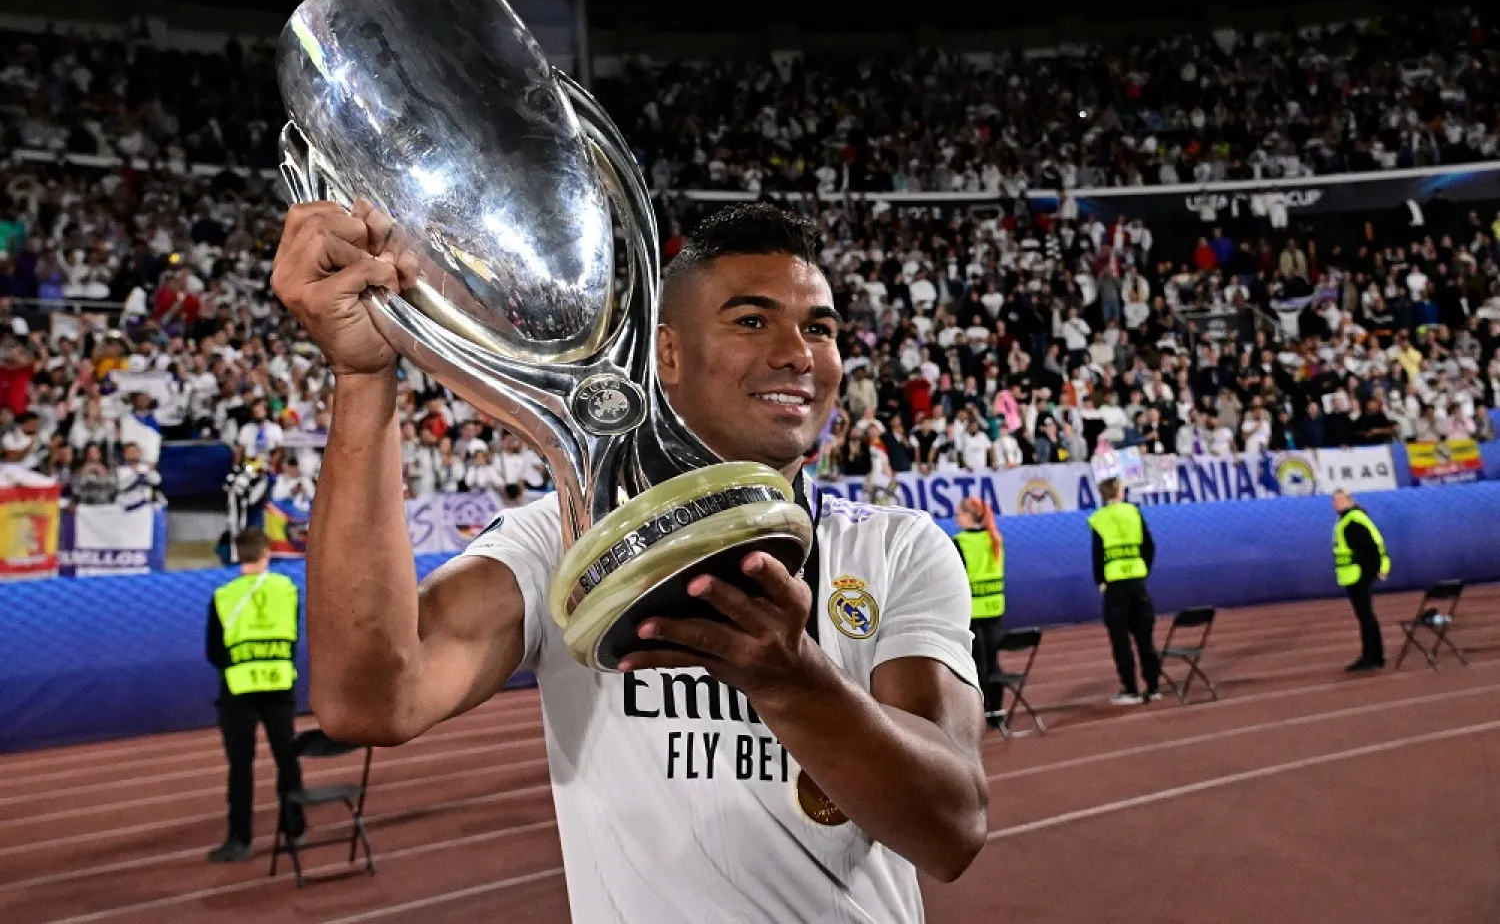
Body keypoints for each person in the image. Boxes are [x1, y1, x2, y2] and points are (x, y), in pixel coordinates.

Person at [270, 199, 988, 920]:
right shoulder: (571, 543)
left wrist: (794, 680)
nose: (798, 352)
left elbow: (953, 828)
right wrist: (363, 379)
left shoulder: (898, 547)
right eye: (751, 320)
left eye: (819, 328)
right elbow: (371, 697)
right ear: (667, 354)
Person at [205, 528, 305, 862]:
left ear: (238, 555)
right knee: (286, 758)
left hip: (239, 690)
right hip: (279, 685)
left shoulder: (223, 596)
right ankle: (295, 829)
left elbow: (214, 650)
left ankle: (239, 839)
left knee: (241, 766)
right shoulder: (287, 589)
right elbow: (293, 635)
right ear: (266, 553)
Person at [1087, 477, 1162, 705]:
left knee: (1121, 641)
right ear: (1119, 491)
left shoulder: (1098, 519)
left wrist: (1101, 581)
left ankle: (1130, 689)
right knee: (1145, 637)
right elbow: (1149, 546)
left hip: (1115, 586)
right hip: (1137, 583)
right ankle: (1153, 686)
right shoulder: (1134, 512)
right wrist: (1142, 570)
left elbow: (1098, 555)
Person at [952, 497, 1007, 729]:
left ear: (968, 516)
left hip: (972, 611)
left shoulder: (960, 542)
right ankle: (997, 710)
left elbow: (956, 578)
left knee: (976, 664)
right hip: (995, 608)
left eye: (959, 514)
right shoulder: (995, 538)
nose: (956, 518)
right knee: (993, 662)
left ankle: (979, 712)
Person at [1331, 488, 1391, 671]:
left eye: (1339, 500)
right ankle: (1375, 655)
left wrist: (1369, 573)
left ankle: (1371, 657)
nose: (1335, 504)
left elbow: (1369, 549)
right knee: (1367, 616)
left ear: (1349, 501)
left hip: (1358, 576)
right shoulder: (1352, 518)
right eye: (1334, 501)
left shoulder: (1351, 522)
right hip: (1357, 575)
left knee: (1365, 616)